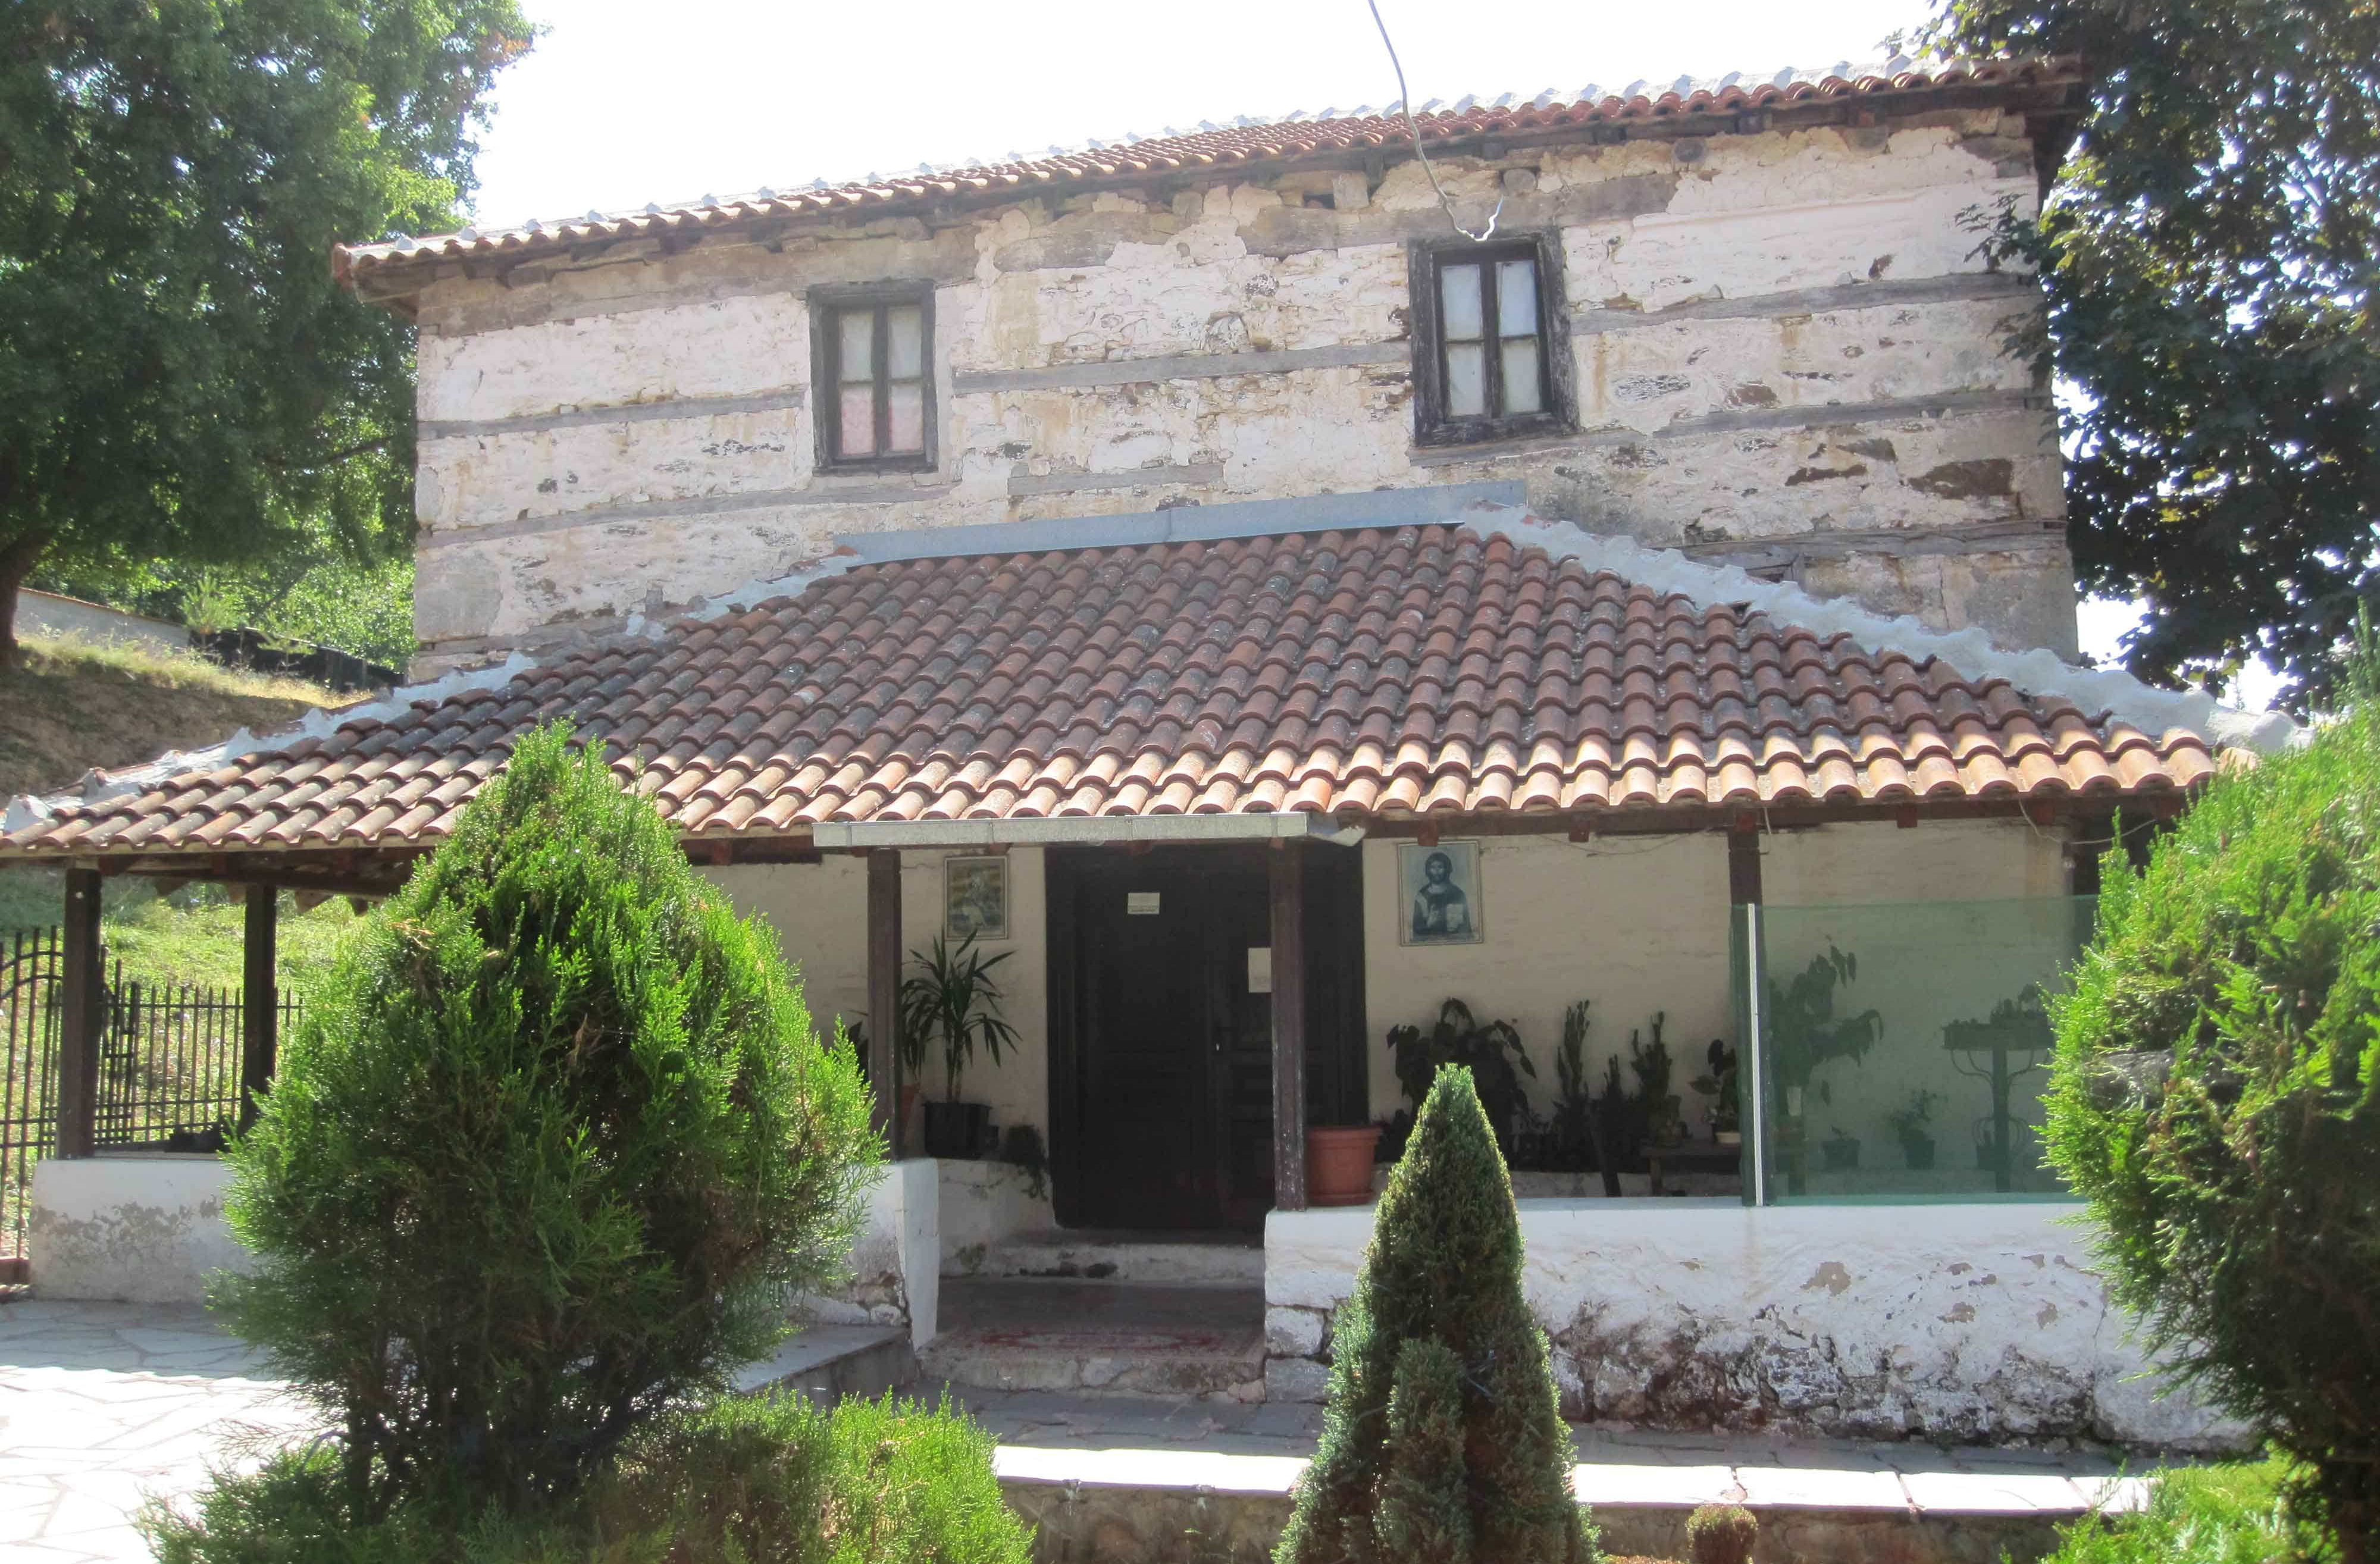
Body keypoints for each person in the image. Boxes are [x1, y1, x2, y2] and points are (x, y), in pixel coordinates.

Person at [1410, 850, 1473, 939]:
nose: (1436, 871)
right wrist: (1428, 924)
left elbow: (1466, 928)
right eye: (1433, 867)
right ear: (1428, 870)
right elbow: (1416, 931)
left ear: (1447, 869)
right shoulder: (1422, 896)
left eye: (1440, 867)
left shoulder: (1457, 894)